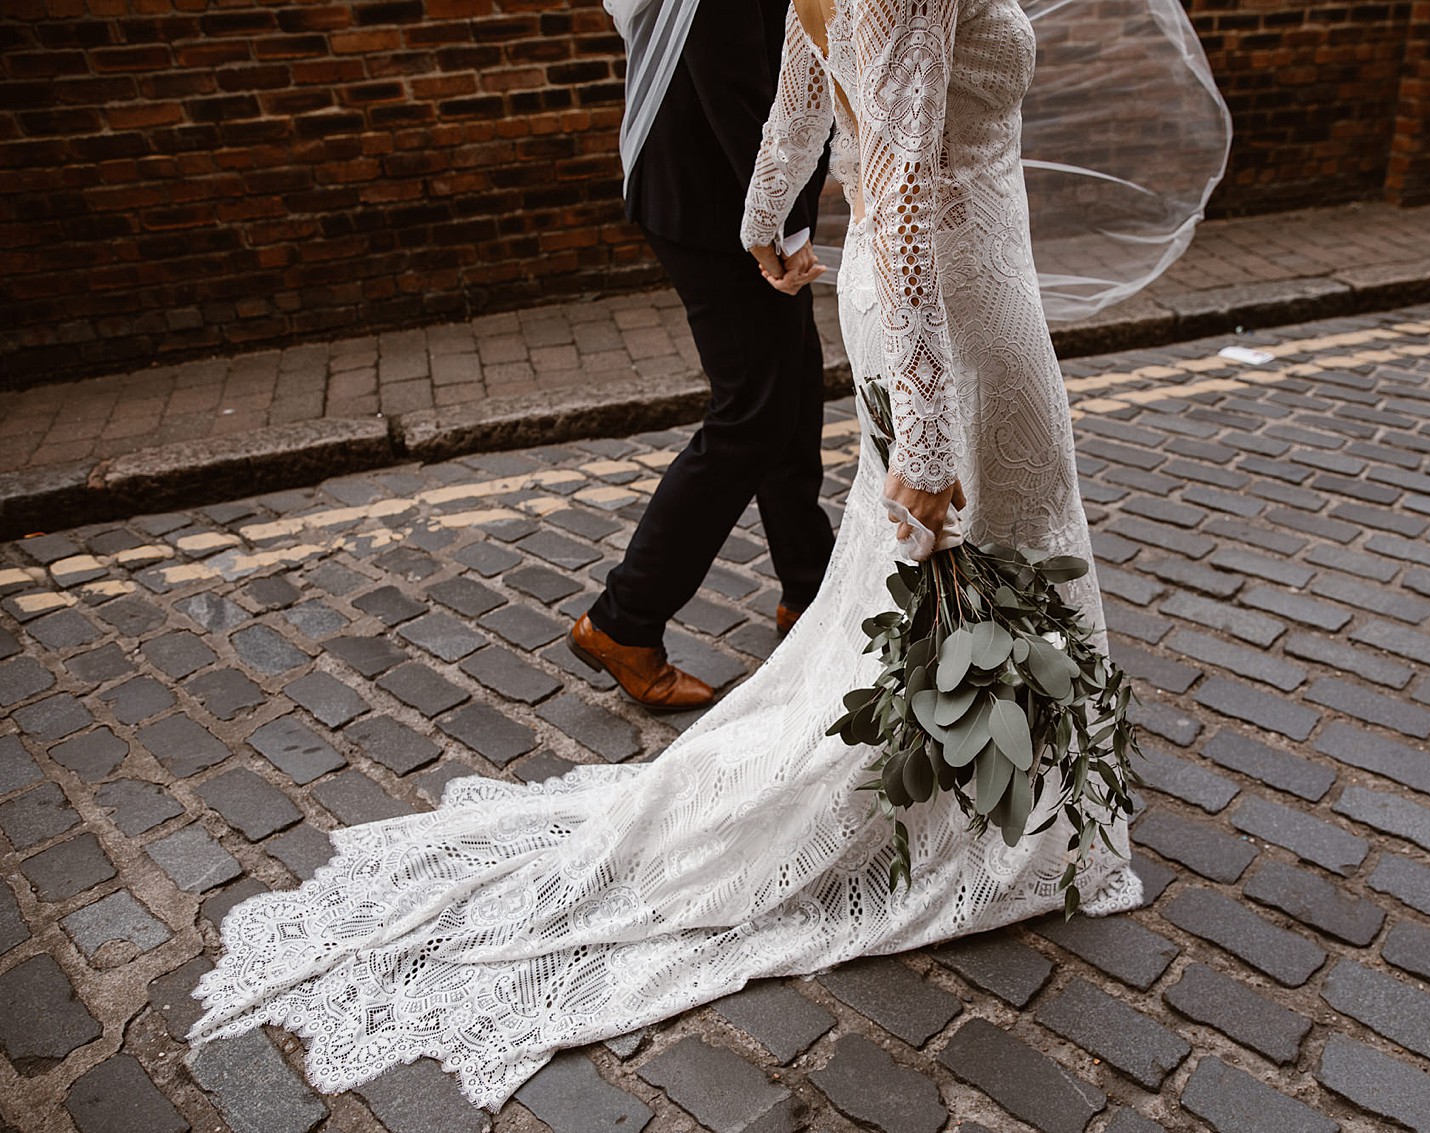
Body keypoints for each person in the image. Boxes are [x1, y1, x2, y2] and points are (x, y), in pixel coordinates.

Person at [189, 0, 1226, 1111]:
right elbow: (905, 181)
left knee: (959, 559)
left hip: (913, 288)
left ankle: (984, 780)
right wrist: (923, 441)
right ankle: (984, 806)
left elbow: (794, 86)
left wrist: (765, 215)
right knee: (998, 529)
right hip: (957, 300)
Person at [568, 0, 837, 712]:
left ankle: (810, 588)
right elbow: (733, 76)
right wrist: (783, 219)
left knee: (793, 383)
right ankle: (623, 620)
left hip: (723, 185)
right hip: (717, 196)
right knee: (752, 410)